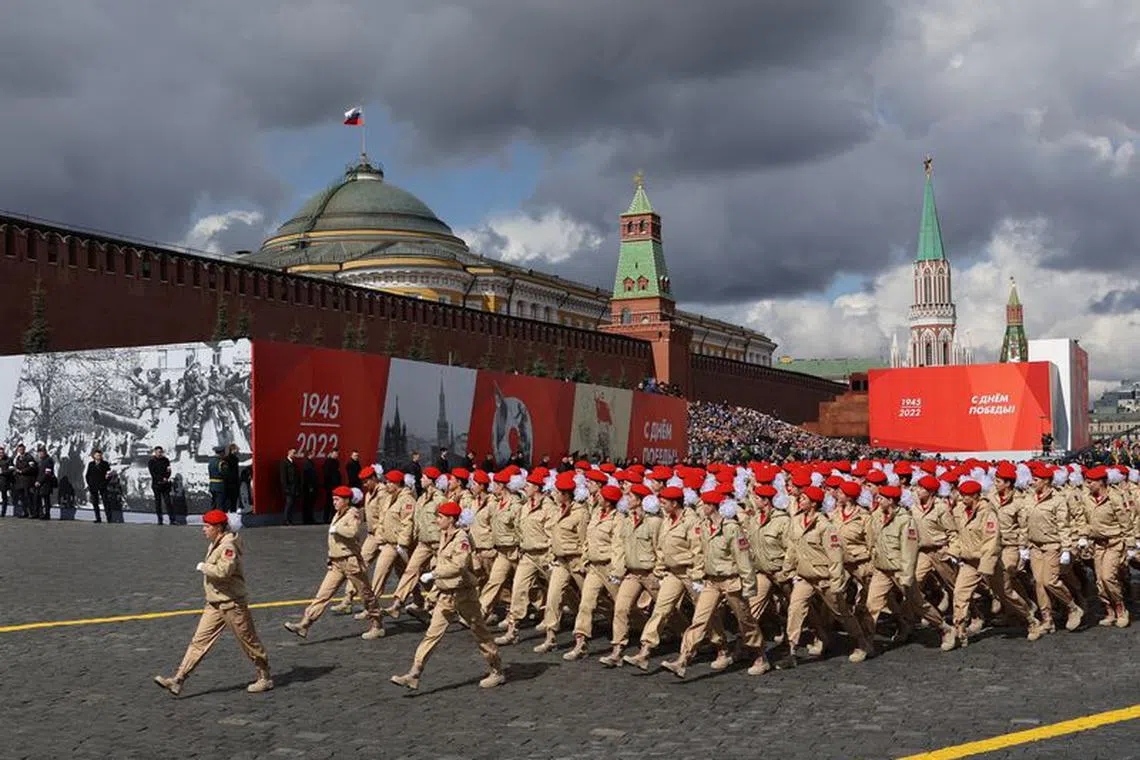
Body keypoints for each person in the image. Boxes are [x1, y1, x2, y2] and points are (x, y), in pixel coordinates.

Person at [153, 509, 273, 697]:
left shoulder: (228, 546)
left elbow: (224, 572)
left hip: (232, 604)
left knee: (249, 642)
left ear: (218, 528)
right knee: (198, 642)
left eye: (207, 526)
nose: (203, 529)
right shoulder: (215, 543)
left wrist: (204, 567)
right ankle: (178, 679)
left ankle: (264, 676)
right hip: (215, 603)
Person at [389, 501, 506, 690]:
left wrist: (434, 574)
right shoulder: (444, 535)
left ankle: (497, 670)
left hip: (464, 595)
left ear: (451, 519)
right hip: (446, 595)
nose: (437, 520)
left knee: (480, 633)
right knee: (431, 635)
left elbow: (459, 565)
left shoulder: (461, 538)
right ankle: (414, 673)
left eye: (441, 517)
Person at [282, 486, 385, 640]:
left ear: (346, 500)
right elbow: (334, 541)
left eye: (337, 499)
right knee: (323, 594)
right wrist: (330, 557)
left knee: (365, 595)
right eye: (333, 499)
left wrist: (338, 528)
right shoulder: (338, 514)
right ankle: (305, 624)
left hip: (351, 561)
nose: (334, 502)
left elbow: (352, 533)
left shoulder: (353, 514)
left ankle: (377, 625)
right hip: (337, 563)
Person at [85, 450, 112, 524]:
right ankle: (98, 518)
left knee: (105, 502)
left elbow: (109, 475)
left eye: (99, 455)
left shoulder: (105, 464)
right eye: (97, 455)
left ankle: (109, 518)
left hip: (102, 485)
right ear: (94, 456)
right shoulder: (91, 464)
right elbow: (87, 475)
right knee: (95, 503)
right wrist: (90, 484)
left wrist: (105, 483)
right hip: (93, 486)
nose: (98, 457)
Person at [148, 446, 173, 525]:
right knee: (158, 502)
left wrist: (166, 477)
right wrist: (161, 479)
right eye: (158, 452)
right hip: (156, 485)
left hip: (165, 485)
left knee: (168, 502)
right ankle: (160, 520)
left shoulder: (166, 460)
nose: (160, 453)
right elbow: (153, 473)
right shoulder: (151, 461)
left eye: (161, 452)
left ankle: (172, 520)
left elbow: (169, 470)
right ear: (155, 452)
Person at [12, 444, 35, 518]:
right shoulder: (18, 458)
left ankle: (31, 513)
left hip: (27, 481)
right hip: (19, 482)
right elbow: (17, 467)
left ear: (24, 449)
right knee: (22, 498)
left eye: (22, 449)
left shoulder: (29, 457)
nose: (20, 450)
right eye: (19, 449)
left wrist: (22, 471)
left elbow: (32, 467)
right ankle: (25, 512)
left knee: (28, 497)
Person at [34, 444, 56, 520]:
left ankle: (47, 514)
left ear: (45, 452)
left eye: (42, 452)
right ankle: (40, 513)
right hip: (40, 484)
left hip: (46, 483)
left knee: (46, 500)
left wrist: (39, 481)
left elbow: (47, 473)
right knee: (39, 499)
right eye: (39, 452)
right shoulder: (41, 461)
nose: (40, 454)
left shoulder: (49, 460)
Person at [279, 448, 300, 525]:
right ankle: (286, 520)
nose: (294, 454)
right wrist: (285, 488)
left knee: (293, 504)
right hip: (288, 488)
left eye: (295, 453)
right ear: (289, 453)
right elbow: (283, 477)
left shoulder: (294, 463)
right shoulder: (284, 462)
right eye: (293, 453)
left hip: (294, 487)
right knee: (289, 503)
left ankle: (290, 519)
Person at [322, 449, 342, 524]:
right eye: (335, 453)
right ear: (331, 453)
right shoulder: (328, 462)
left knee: (335, 503)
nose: (336, 455)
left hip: (336, 486)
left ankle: (333, 517)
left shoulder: (337, 462)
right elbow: (326, 475)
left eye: (337, 454)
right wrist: (328, 485)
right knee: (328, 502)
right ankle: (326, 518)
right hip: (330, 486)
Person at [208, 446, 227, 512]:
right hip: (219, 486)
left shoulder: (211, 462)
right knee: (220, 505)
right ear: (221, 453)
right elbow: (225, 474)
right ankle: (220, 520)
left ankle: (211, 519)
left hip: (212, 485)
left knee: (213, 504)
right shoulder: (221, 463)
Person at [301, 453, 318, 524]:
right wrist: (310, 486)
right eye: (312, 454)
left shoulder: (310, 463)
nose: (313, 455)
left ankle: (310, 518)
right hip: (308, 487)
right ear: (309, 455)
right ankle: (307, 519)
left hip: (311, 486)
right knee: (308, 503)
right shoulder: (307, 463)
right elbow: (307, 476)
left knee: (310, 504)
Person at [224, 444, 241, 513]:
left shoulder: (226, 459)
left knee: (229, 501)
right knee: (233, 501)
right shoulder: (233, 459)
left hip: (229, 483)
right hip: (232, 482)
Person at [0, 445, 11, 517]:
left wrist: (2, 472)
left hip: (4, 481)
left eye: (2, 452)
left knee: (4, 497)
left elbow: (10, 470)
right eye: (0, 453)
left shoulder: (8, 460)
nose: (1, 454)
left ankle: (3, 512)